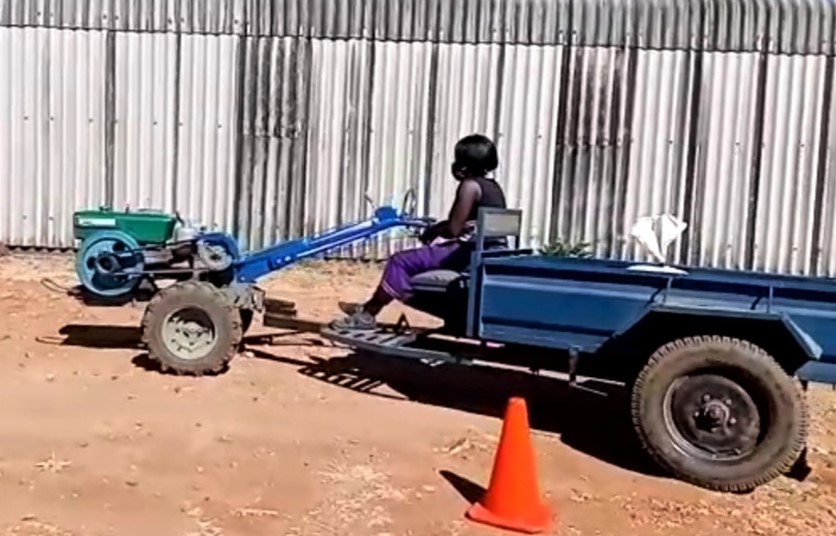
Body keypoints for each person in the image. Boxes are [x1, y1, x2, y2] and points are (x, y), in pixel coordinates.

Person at [331, 133, 507, 331]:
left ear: (464, 165)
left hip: (467, 252)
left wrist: (434, 230)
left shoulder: (470, 186)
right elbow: (464, 224)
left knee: (399, 261)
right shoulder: (493, 187)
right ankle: (369, 305)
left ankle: (368, 314)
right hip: (487, 251)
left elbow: (453, 229)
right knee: (416, 260)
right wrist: (437, 228)